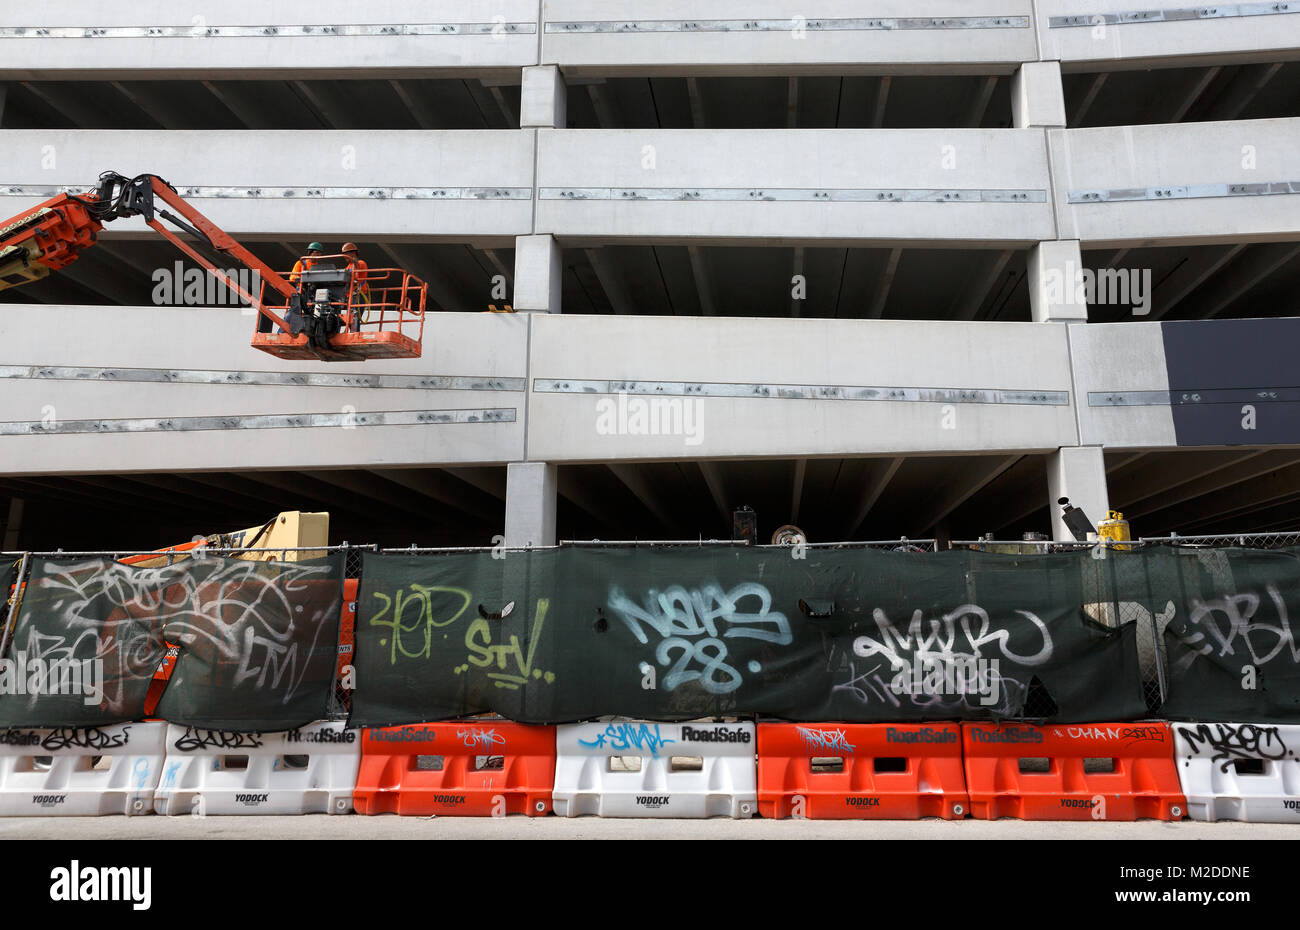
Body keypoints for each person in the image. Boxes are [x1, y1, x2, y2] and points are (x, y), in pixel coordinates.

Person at [341, 242, 369, 332]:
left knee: (354, 317)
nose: (344, 257)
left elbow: (356, 274)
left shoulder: (361, 263)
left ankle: (354, 334)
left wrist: (354, 262)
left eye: (345, 254)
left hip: (358, 295)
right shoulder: (348, 266)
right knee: (350, 317)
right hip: (351, 296)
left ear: (352, 253)